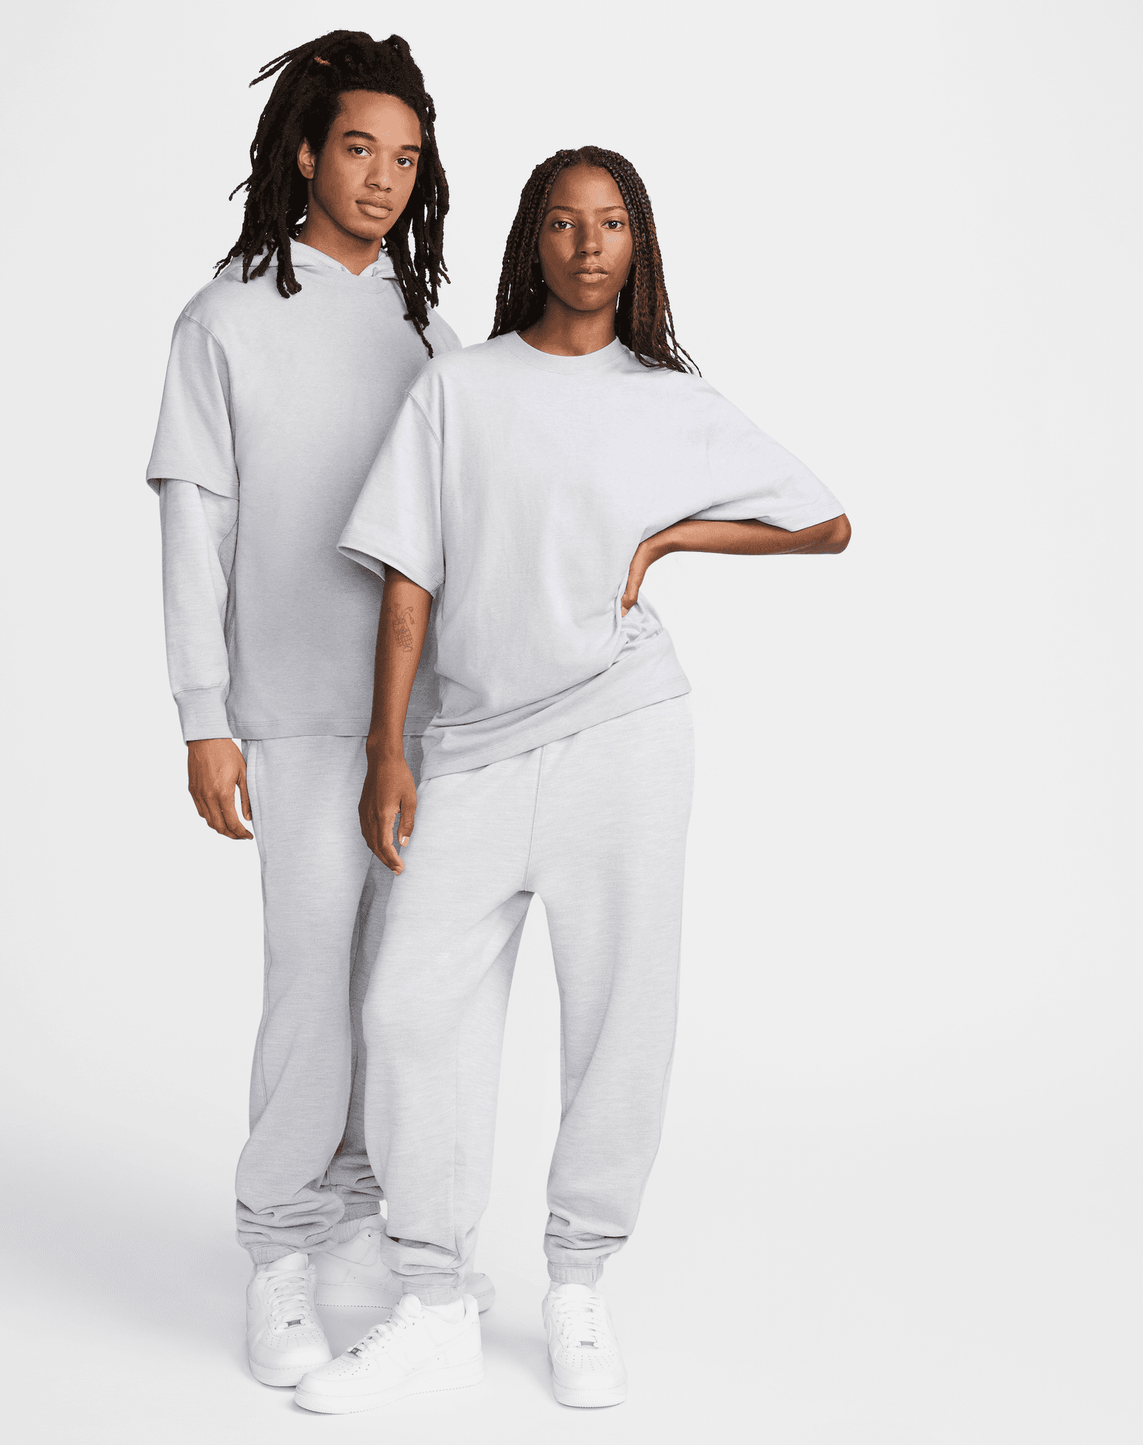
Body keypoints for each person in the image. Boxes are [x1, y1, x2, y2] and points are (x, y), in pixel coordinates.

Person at [292, 146, 851, 1414]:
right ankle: (435, 1297)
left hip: (622, 730)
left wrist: (669, 536)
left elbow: (823, 519)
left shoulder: (665, 399)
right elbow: (407, 576)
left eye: (608, 223)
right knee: (408, 1007)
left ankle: (578, 1279)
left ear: (634, 242)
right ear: (530, 242)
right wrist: (386, 747)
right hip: (474, 745)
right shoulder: (458, 387)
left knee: (617, 1012)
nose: (586, 244)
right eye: (561, 221)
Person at [143, 31, 491, 1389]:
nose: (383, 179)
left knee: (396, 991)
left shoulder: (427, 337)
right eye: (358, 148)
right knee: (307, 984)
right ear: (303, 151)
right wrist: (203, 713)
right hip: (289, 715)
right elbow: (196, 524)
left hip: (420, 724)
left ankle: (358, 1217)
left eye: (405, 158)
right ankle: (278, 1245)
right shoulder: (221, 322)